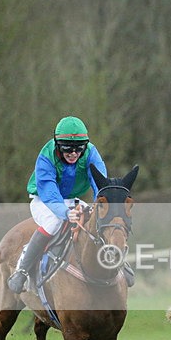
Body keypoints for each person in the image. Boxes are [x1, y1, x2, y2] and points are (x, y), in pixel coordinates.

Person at [7, 116, 109, 294]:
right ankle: (22, 270)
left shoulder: (91, 152)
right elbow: (49, 190)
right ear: (57, 144)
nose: (74, 153)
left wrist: (99, 202)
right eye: (68, 149)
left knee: (98, 221)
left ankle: (119, 266)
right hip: (44, 200)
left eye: (79, 149)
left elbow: (99, 180)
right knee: (54, 222)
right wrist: (64, 212)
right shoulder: (46, 156)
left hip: (71, 199)